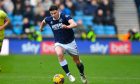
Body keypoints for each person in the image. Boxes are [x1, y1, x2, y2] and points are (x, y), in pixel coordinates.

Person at [40, 5, 87, 84]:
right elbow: (43, 21)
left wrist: (67, 27)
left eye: (54, 13)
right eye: (51, 13)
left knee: (77, 62)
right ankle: (69, 75)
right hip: (59, 42)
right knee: (59, 53)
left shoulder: (65, 16)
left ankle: (82, 74)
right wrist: (41, 28)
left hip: (71, 43)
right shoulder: (49, 19)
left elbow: (74, 24)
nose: (53, 15)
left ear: (58, 11)